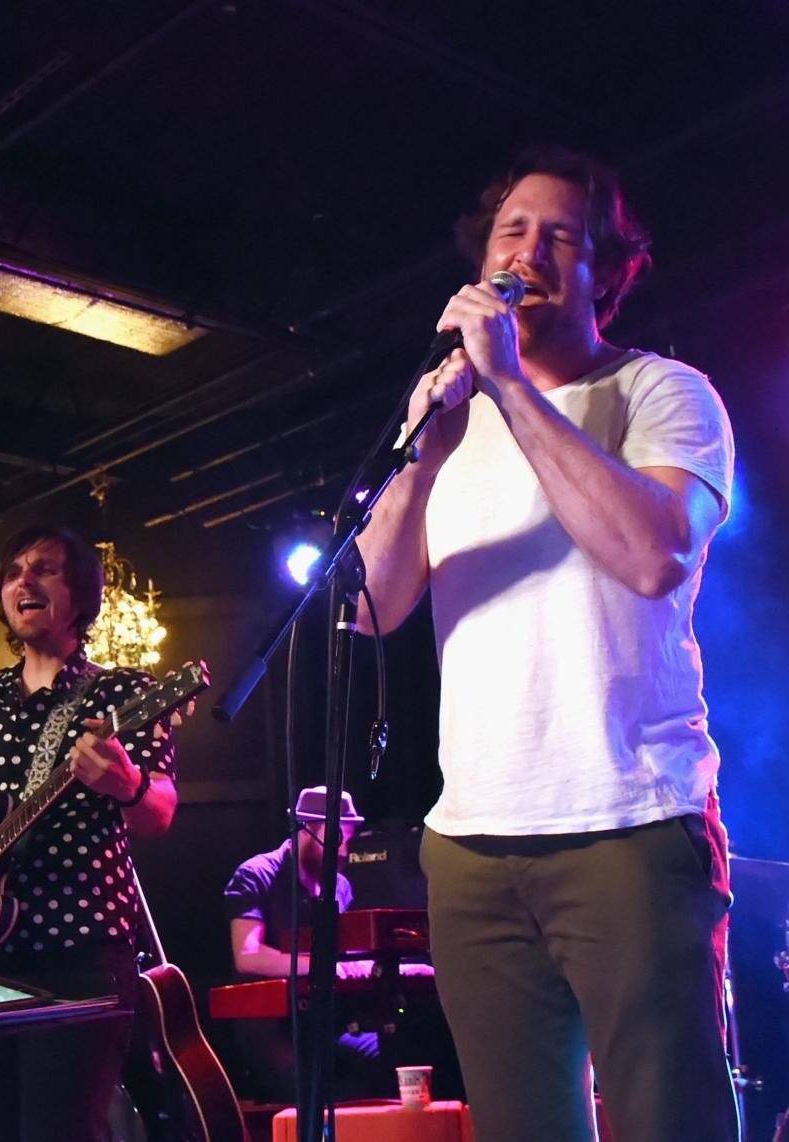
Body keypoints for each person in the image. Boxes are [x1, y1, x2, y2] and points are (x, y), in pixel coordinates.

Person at [355, 146, 739, 1141]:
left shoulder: (663, 392)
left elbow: (655, 554)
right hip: (472, 839)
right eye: (509, 231)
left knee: (670, 1119)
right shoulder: (447, 416)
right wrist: (424, 460)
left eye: (560, 235)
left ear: (606, 271)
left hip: (626, 819)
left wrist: (511, 390)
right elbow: (370, 605)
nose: (526, 251)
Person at [0, 524, 180, 1142]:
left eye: (44, 569)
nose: (24, 580)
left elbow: (161, 812)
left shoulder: (125, 693)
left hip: (79, 953)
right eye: (14, 571)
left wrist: (125, 785)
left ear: (81, 597)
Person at [223, 785, 390, 1103]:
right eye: (339, 836)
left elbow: (345, 950)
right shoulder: (257, 874)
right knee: (328, 1095)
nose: (344, 848)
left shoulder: (339, 886)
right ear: (307, 829)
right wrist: (326, 968)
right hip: (271, 1027)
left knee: (393, 1060)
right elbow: (248, 956)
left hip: (330, 1023)